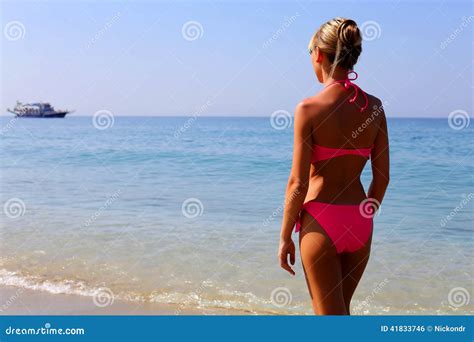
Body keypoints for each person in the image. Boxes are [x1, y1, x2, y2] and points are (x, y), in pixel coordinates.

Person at [278, 17, 390, 315]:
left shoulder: (308, 109)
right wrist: (364, 216)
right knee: (341, 313)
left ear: (318, 55)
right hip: (359, 222)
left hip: (321, 222)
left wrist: (285, 235)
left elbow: (298, 183)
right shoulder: (375, 108)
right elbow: (382, 179)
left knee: (330, 321)